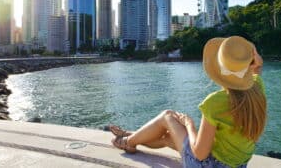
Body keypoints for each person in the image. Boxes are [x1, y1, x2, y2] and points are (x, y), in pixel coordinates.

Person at [110, 36, 267, 168]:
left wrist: (189, 124)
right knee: (166, 138)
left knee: (167, 116)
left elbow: (199, 154)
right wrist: (256, 64)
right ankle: (132, 138)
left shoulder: (215, 103)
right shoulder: (257, 88)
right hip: (238, 165)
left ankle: (127, 141)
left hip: (206, 165)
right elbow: (256, 73)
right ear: (249, 64)